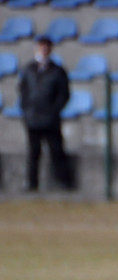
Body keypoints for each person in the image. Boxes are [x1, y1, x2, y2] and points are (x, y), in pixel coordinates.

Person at [17, 36, 72, 192]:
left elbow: (64, 94)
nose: (43, 50)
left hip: (51, 118)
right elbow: (23, 91)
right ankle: (32, 183)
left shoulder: (58, 71)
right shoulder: (28, 69)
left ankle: (62, 182)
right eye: (41, 47)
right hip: (32, 117)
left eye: (46, 47)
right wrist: (26, 110)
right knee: (33, 152)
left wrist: (54, 110)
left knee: (56, 150)